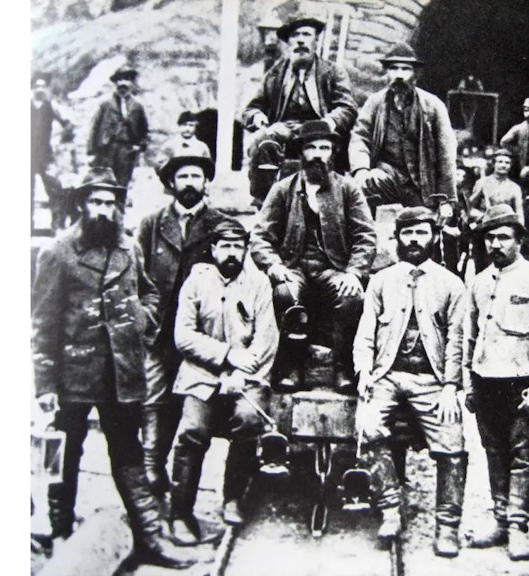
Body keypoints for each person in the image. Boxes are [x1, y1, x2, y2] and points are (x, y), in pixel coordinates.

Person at [31, 168, 193, 570]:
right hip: (74, 375)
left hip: (122, 374)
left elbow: (150, 292)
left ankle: (151, 540)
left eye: (111, 203)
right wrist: (45, 385)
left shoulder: (128, 248)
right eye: (97, 202)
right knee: (64, 458)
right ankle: (61, 535)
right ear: (82, 204)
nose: (104, 210)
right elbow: (43, 323)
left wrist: (142, 319)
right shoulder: (58, 252)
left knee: (129, 457)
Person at [353, 207, 467, 557]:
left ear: (433, 237)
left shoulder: (450, 283)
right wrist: (364, 373)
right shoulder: (381, 281)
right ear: (397, 239)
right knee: (368, 426)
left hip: (431, 381)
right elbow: (365, 335)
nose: (415, 240)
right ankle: (389, 509)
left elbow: (457, 341)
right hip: (387, 376)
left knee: (453, 443)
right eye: (408, 233)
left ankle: (447, 527)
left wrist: (450, 386)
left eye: (421, 232)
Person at [168, 218, 280, 543]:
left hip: (247, 375)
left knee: (247, 422)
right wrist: (227, 356)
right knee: (192, 431)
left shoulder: (258, 283)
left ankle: (233, 497)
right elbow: (184, 336)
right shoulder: (197, 281)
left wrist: (241, 374)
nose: (232, 253)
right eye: (225, 246)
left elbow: (266, 339)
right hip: (201, 374)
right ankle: (180, 514)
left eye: (238, 246)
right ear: (214, 249)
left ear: (246, 249)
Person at [464, 204, 529, 562]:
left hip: (521, 385)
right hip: (487, 383)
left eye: (504, 237)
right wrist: (468, 384)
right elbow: (468, 338)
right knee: (494, 454)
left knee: (523, 457)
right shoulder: (479, 281)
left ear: (519, 240)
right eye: (490, 237)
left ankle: (519, 527)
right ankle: (500, 521)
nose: (496, 244)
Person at [251, 119, 377, 392]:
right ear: (301, 153)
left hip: (333, 268)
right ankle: (291, 367)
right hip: (293, 266)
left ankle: (343, 368)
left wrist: (354, 272)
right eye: (312, 148)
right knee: (285, 293)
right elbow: (260, 236)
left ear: (332, 153)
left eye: (325, 147)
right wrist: (273, 265)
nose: (319, 154)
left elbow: (366, 236)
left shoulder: (347, 189)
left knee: (351, 297)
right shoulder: (283, 189)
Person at [135, 148, 226, 499]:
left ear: (206, 183)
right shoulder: (152, 224)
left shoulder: (219, 225)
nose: (190, 183)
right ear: (171, 183)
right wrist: (144, 319)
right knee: (153, 403)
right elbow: (136, 278)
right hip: (158, 334)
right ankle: (150, 480)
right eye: (183, 176)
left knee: (193, 418)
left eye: (196, 176)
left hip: (197, 338)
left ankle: (182, 496)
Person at [242, 13, 357, 203]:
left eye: (306, 34)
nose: (301, 40)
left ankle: (325, 200)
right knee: (262, 142)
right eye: (295, 36)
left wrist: (329, 122)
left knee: (322, 145)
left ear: (316, 40)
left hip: (320, 130)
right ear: (288, 42)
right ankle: (266, 202)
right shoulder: (276, 74)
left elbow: (347, 107)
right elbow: (251, 108)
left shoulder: (333, 72)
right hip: (285, 130)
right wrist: (258, 117)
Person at [349, 43, 458, 215]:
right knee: (362, 188)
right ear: (386, 72)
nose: (399, 75)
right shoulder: (375, 103)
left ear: (415, 74)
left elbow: (446, 154)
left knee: (425, 225)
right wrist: (361, 169)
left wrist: (446, 199)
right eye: (393, 69)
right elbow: (360, 137)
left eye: (405, 69)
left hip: (422, 184)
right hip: (387, 177)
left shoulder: (433, 106)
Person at [88, 65, 149, 187]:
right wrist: (91, 152)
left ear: (132, 83)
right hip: (107, 149)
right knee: (105, 182)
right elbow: (95, 127)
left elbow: (144, 130)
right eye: (119, 80)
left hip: (127, 150)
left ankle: (120, 206)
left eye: (126, 79)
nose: (123, 83)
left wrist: (140, 146)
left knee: (122, 184)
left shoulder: (137, 107)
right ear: (115, 83)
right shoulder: (106, 105)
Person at [31, 71, 74, 232]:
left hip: (45, 155)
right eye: (37, 86)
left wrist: (60, 141)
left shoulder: (51, 106)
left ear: (47, 88)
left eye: (43, 86)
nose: (40, 89)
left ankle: (57, 225)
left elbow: (69, 124)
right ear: (32, 88)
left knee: (55, 190)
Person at [499, 98, 529, 176]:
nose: (528, 113)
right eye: (525, 110)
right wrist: (517, 150)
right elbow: (504, 141)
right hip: (523, 161)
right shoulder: (519, 127)